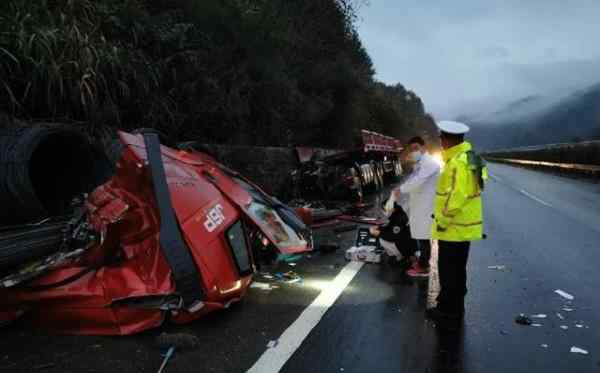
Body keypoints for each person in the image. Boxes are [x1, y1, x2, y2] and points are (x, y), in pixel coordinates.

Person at [426, 120, 488, 331]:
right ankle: (453, 308)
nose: (440, 142)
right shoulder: (471, 158)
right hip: (464, 228)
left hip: (452, 228)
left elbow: (456, 197)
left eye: (442, 138)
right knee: (457, 270)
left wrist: (441, 222)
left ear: (449, 139)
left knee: (449, 272)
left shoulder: (456, 163)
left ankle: (448, 313)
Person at [394, 136, 440, 277]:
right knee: (421, 236)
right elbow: (413, 179)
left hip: (427, 206)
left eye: (416, 148)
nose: (413, 151)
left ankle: (424, 267)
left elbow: (417, 181)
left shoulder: (430, 163)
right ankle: (422, 262)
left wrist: (400, 190)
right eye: (411, 149)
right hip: (421, 205)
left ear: (423, 148)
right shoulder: (420, 163)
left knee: (424, 236)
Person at [369, 194, 417, 268]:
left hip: (406, 246)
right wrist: (379, 228)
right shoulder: (396, 213)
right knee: (382, 236)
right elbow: (389, 227)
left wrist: (378, 233)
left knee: (382, 239)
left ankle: (402, 256)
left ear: (391, 209)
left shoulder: (399, 218)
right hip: (406, 242)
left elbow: (392, 236)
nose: (384, 212)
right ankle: (398, 255)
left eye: (385, 210)